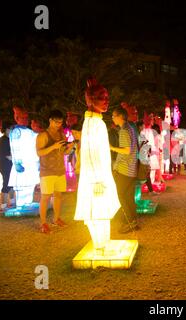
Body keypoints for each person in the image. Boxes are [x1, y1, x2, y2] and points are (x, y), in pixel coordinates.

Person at [74, 77, 120, 253]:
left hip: (100, 176)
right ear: (91, 100)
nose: (106, 101)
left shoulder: (97, 122)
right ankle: (100, 244)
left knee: (103, 210)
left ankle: (103, 243)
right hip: (96, 179)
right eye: (102, 97)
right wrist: (97, 180)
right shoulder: (93, 123)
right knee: (97, 211)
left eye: (107, 97)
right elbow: (92, 153)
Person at [36, 109, 74, 234]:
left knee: (58, 195)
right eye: (56, 122)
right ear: (50, 120)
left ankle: (56, 219)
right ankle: (43, 223)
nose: (58, 124)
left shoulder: (62, 134)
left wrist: (69, 148)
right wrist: (53, 146)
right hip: (47, 171)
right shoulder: (42, 135)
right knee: (45, 197)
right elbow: (39, 152)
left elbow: (64, 152)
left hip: (60, 170)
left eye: (60, 122)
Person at [110, 107, 139, 233]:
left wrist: (112, 148)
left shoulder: (124, 131)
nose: (112, 118)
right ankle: (133, 222)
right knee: (128, 197)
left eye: (113, 116)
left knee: (120, 196)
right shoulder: (131, 128)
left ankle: (129, 222)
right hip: (131, 168)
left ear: (120, 116)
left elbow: (127, 150)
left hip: (124, 169)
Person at [0, 122, 15, 212]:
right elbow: (6, 155)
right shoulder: (3, 140)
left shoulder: (10, 139)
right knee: (6, 184)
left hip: (9, 165)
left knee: (11, 184)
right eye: (9, 129)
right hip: (5, 165)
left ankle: (12, 202)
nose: (11, 131)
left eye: (12, 129)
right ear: (5, 129)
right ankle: (3, 206)